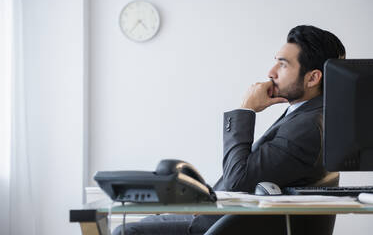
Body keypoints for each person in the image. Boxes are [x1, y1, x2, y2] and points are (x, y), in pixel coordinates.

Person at [113, 25, 346, 235]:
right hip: (220, 218)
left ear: (313, 78)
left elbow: (238, 180)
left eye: (283, 64)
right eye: (275, 61)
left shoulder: (308, 126)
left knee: (127, 231)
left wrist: (245, 110)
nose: (271, 72)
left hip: (221, 226)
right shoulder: (305, 115)